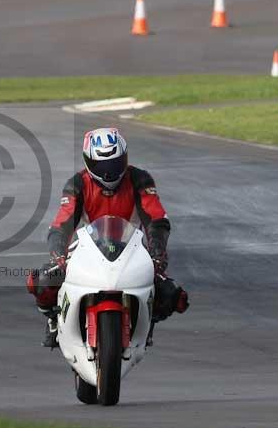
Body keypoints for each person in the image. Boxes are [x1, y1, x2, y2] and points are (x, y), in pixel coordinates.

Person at [26, 127, 189, 347]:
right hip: (86, 248)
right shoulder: (78, 184)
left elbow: (156, 219)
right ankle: (54, 318)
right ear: (87, 162)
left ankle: (147, 321)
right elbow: (61, 225)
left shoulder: (140, 179)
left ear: (125, 158)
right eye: (100, 165)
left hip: (132, 247)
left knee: (174, 296)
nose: (108, 172)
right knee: (41, 281)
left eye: (114, 163)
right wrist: (58, 255)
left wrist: (158, 255)